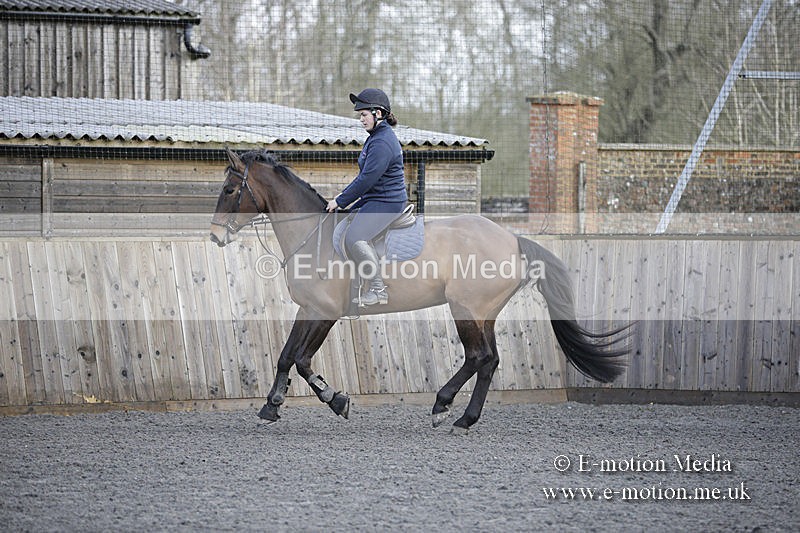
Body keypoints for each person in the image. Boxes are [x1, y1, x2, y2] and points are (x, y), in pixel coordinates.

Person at [326, 88, 408, 305]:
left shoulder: (382, 142)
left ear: (378, 113)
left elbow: (366, 180)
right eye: (360, 115)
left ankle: (379, 289)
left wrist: (340, 200)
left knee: (355, 237)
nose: (361, 119)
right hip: (377, 198)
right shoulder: (376, 137)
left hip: (388, 202)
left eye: (363, 114)